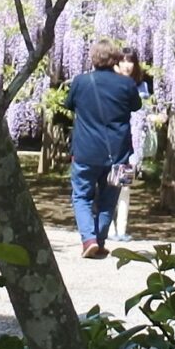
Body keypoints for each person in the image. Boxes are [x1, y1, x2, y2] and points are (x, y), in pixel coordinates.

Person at [67, 41, 152, 259]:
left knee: (81, 196)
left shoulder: (80, 81)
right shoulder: (126, 84)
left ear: (93, 58)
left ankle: (89, 240)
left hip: (85, 152)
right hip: (120, 154)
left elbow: (69, 105)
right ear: (115, 59)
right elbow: (136, 106)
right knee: (109, 199)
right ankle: (100, 241)